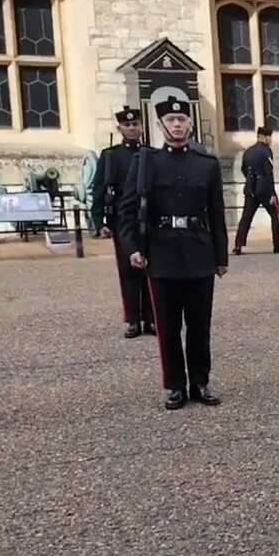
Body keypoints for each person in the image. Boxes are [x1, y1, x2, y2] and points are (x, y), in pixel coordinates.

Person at [117, 96, 230, 410]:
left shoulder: (206, 164)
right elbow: (127, 211)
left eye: (181, 120)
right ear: (161, 124)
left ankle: (200, 382)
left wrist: (221, 257)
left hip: (198, 251)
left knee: (199, 325)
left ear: (189, 123)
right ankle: (175, 385)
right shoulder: (146, 163)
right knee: (167, 327)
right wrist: (134, 248)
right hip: (162, 253)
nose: (177, 125)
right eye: (170, 120)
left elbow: (217, 214)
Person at [92, 106, 155, 339]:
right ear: (119, 128)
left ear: (141, 126)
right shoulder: (110, 156)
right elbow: (98, 188)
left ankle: (151, 318)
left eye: (135, 124)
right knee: (128, 269)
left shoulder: (150, 154)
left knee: (150, 267)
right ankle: (133, 320)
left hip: (148, 218)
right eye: (127, 125)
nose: (132, 128)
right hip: (122, 220)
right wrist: (99, 221)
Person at [234, 125, 279, 255]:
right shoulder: (266, 151)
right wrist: (271, 192)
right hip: (264, 189)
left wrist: (251, 181)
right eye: (269, 137)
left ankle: (238, 245)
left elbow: (244, 169)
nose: (270, 140)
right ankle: (278, 245)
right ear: (265, 137)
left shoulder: (248, 151)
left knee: (246, 217)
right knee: (275, 215)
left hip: (250, 188)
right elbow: (268, 172)